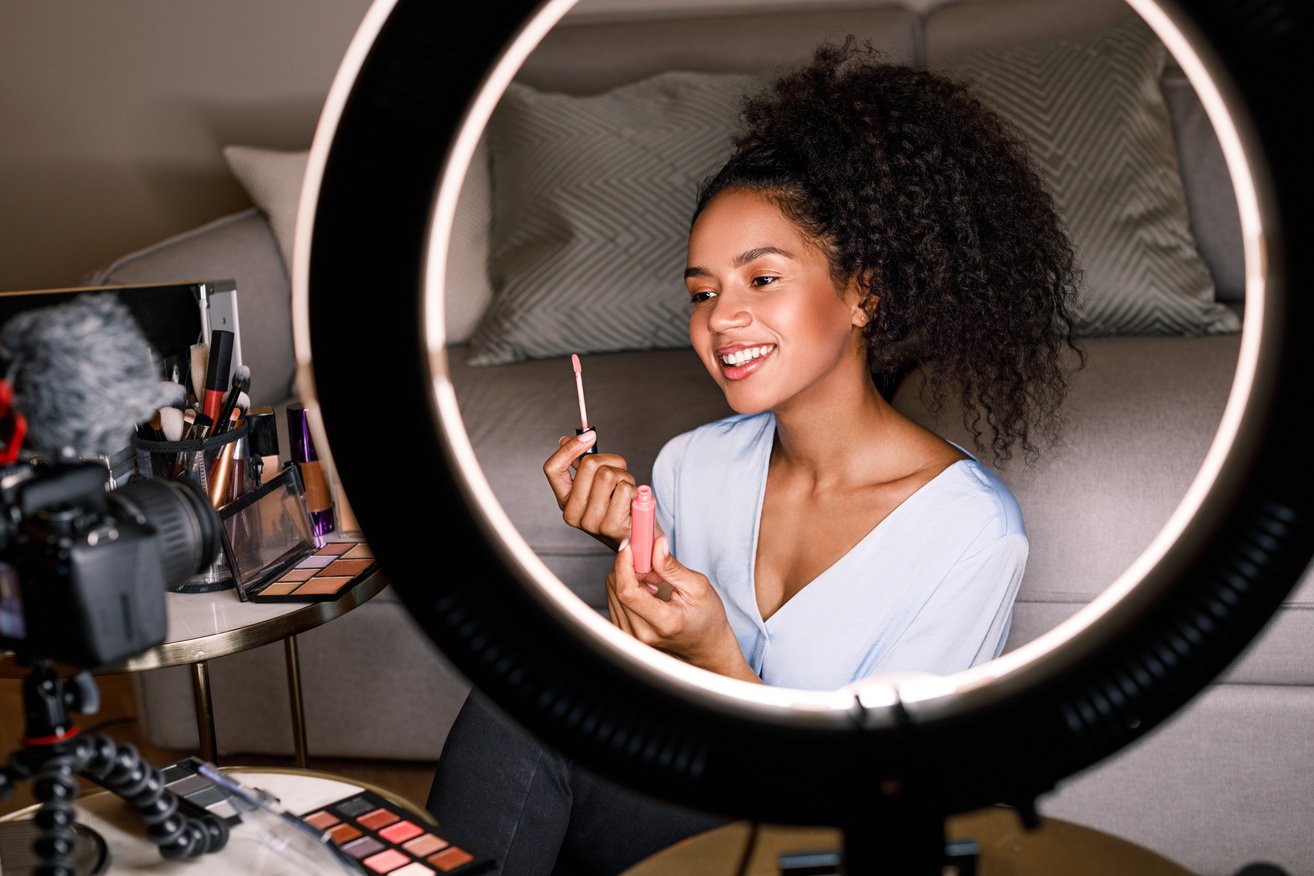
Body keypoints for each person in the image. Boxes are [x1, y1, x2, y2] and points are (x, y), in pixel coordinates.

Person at [428, 38, 1083, 873]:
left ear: (863, 292)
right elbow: (655, 701)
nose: (720, 319)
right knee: (526, 682)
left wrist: (720, 661)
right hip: (699, 806)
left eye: (761, 279)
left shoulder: (971, 532)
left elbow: (881, 796)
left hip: (833, 844)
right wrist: (631, 544)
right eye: (703, 292)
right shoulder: (691, 467)